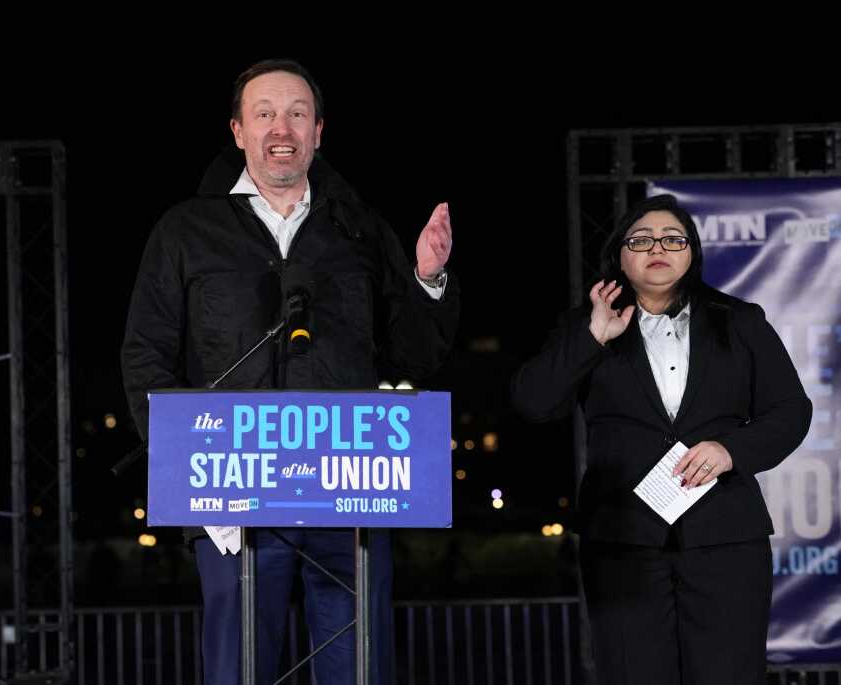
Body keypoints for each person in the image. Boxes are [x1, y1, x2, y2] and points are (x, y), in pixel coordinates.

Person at [121, 58, 459, 683]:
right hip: (233, 499)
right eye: (266, 114)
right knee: (239, 668)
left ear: (319, 132)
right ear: (238, 130)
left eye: (298, 114)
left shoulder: (357, 228)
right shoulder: (185, 231)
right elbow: (145, 359)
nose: (283, 127)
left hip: (349, 491)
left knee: (358, 666)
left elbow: (414, 355)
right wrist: (194, 479)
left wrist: (427, 279)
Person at [511, 193, 811, 684]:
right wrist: (592, 338)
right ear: (620, 254)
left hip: (726, 541)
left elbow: (791, 411)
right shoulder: (587, 326)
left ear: (691, 252)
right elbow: (532, 403)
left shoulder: (741, 322)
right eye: (642, 239)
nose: (659, 247)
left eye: (674, 239)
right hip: (623, 542)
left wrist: (730, 450)